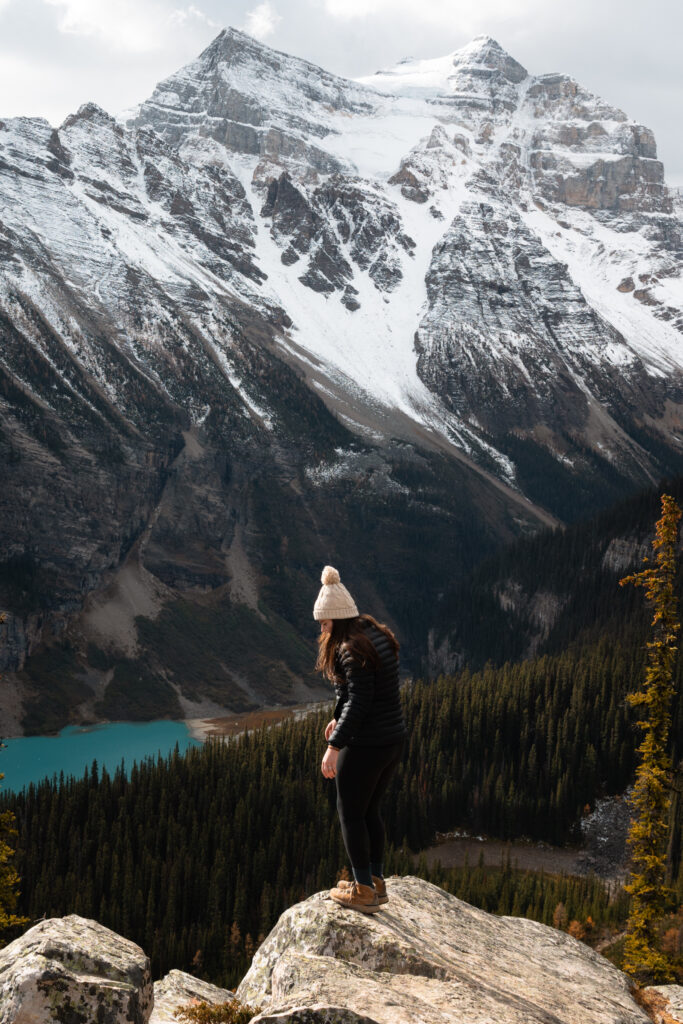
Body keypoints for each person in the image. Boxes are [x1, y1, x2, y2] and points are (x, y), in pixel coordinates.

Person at [314, 564, 408, 914]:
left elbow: (361, 700)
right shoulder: (373, 633)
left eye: (323, 623)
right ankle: (374, 881)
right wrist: (338, 718)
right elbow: (361, 692)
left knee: (349, 813)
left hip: (368, 744)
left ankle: (363, 891)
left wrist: (334, 746)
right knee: (370, 811)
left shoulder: (350, 648)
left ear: (336, 620)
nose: (321, 629)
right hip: (392, 739)